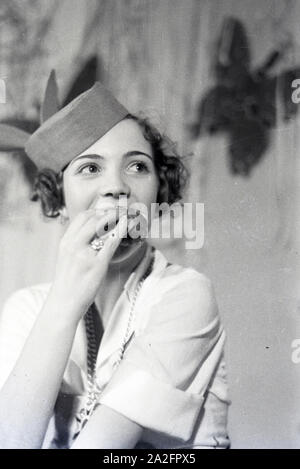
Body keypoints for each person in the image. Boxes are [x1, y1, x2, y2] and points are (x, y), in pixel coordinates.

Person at [0, 75, 230, 449]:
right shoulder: (26, 310)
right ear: (58, 202)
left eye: (137, 167)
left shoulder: (185, 295)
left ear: (159, 192)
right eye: (90, 168)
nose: (117, 187)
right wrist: (65, 301)